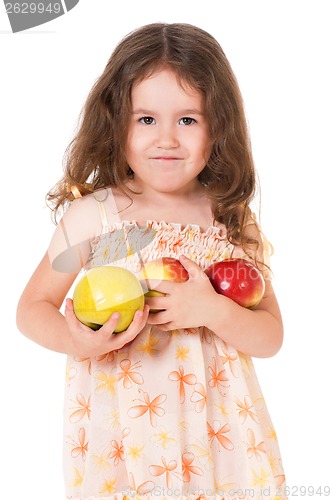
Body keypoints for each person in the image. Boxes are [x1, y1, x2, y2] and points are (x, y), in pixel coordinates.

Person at [16, 23, 287, 500]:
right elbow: (32, 307)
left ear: (217, 127)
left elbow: (270, 336)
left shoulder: (227, 216)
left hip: (219, 436)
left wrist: (213, 310)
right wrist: (75, 339)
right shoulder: (95, 216)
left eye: (188, 120)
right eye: (146, 120)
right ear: (115, 122)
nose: (167, 139)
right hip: (126, 436)